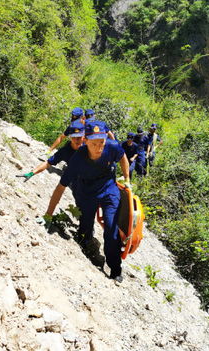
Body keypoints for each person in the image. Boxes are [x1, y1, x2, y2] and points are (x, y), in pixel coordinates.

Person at [45, 120, 130, 282]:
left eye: (101, 143)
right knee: (85, 226)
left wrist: (127, 179)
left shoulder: (112, 146)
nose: (99, 148)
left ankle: (115, 268)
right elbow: (60, 187)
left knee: (111, 228)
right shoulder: (78, 159)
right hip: (87, 192)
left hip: (109, 189)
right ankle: (86, 245)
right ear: (85, 141)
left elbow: (122, 157)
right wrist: (48, 214)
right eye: (94, 144)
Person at [17, 120, 85, 181]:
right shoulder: (65, 151)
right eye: (74, 137)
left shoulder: (90, 148)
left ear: (84, 137)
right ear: (70, 137)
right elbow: (48, 163)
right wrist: (31, 173)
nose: (76, 140)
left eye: (79, 137)